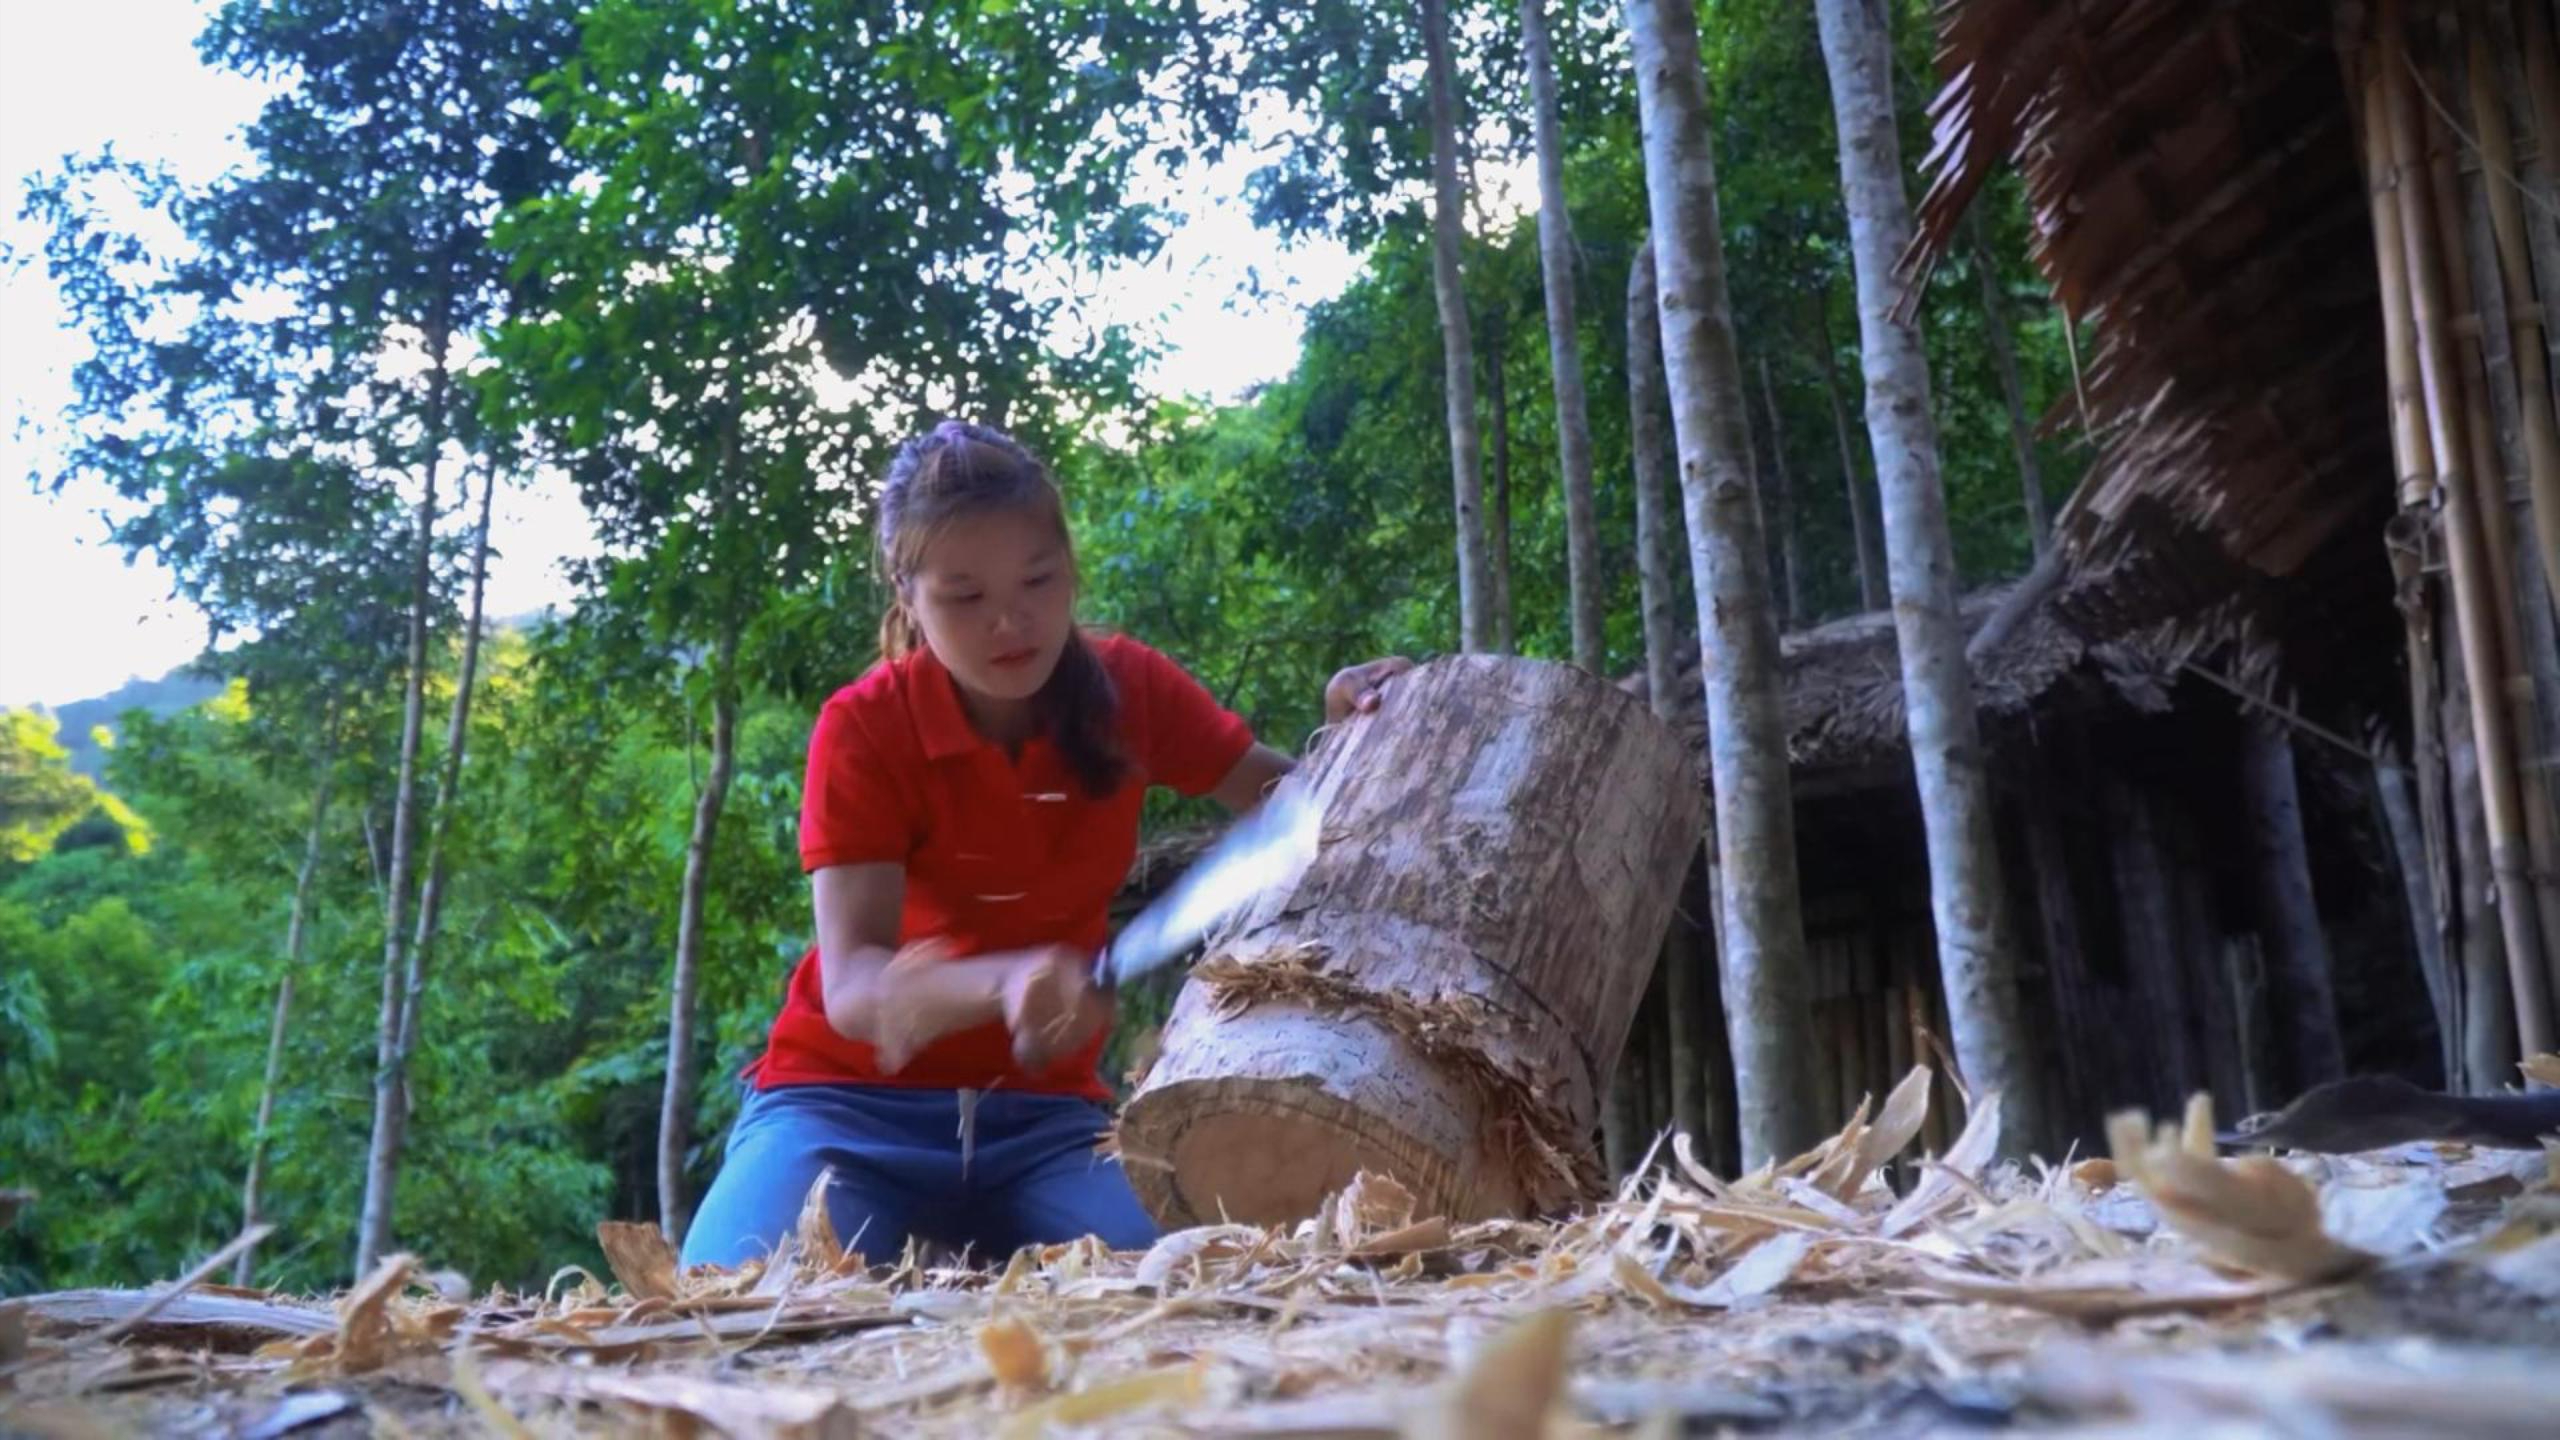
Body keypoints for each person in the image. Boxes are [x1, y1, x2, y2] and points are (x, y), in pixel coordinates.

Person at [678, 419, 1411, 1270]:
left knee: (1215, 1272)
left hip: (1045, 1125)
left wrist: (1346, 732)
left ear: (1070, 568)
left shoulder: (1130, 688)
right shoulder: (865, 728)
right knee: (733, 1293)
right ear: (906, 594)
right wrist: (1004, 982)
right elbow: (854, 989)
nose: (1010, 621)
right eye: (965, 597)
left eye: (1038, 579)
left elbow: (1291, 806)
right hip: (841, 1108)